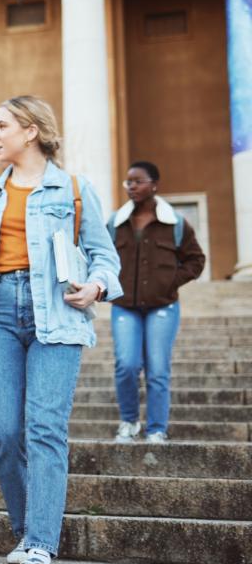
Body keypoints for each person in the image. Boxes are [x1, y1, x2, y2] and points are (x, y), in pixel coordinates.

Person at [0, 95, 121, 564]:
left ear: (31, 130)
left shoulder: (75, 190)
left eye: (2, 125)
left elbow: (105, 254)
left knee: (44, 428)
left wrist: (97, 285)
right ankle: (25, 527)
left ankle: (40, 541)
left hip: (57, 313)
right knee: (2, 431)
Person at [108, 161, 205, 444]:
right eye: (128, 182)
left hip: (163, 306)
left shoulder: (175, 223)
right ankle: (128, 422)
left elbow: (196, 260)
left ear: (154, 184)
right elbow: (100, 254)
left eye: (138, 181)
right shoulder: (115, 222)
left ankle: (156, 429)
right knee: (126, 364)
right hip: (125, 306)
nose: (132, 186)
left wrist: (171, 281)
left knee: (158, 368)